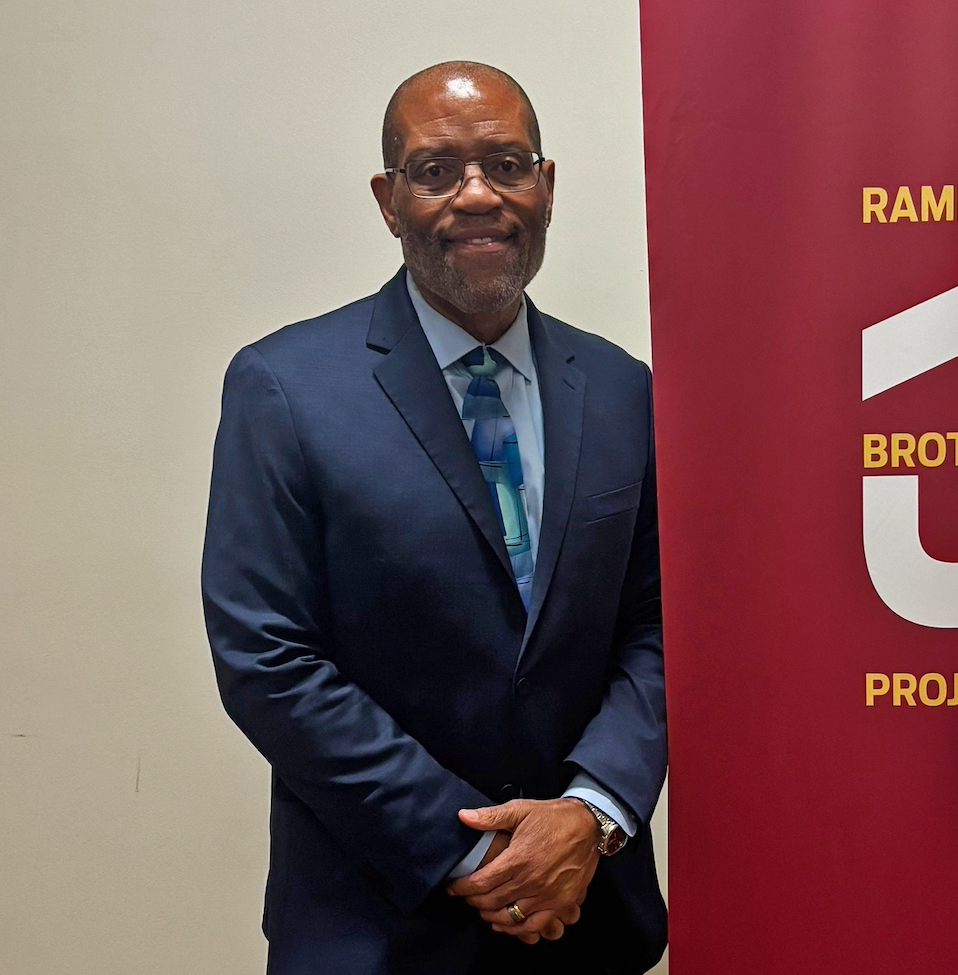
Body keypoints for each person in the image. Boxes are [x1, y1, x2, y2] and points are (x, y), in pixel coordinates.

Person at [201, 61, 666, 974]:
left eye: (507, 162)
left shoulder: (623, 390)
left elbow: (659, 624)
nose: (478, 195)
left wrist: (591, 812)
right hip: (375, 919)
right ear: (387, 198)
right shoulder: (285, 388)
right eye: (437, 170)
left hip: (588, 915)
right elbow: (267, 655)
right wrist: (481, 852)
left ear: (548, 184)